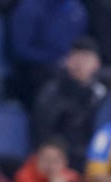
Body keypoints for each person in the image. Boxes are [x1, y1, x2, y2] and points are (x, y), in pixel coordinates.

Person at [32, 36, 105, 171]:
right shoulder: (51, 92)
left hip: (91, 158)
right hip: (61, 158)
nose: (80, 64)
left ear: (97, 63)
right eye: (76, 57)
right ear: (67, 61)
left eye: (86, 58)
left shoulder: (101, 94)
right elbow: (43, 131)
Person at [9, 0, 89, 107]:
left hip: (65, 66)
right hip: (32, 71)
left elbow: (80, 44)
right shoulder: (29, 8)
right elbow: (20, 49)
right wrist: (56, 59)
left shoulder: (78, 10)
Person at [13, 137, 81, 182]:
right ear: (37, 159)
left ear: (65, 162)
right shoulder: (25, 176)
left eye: (55, 161)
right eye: (45, 160)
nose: (50, 165)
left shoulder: (71, 179)